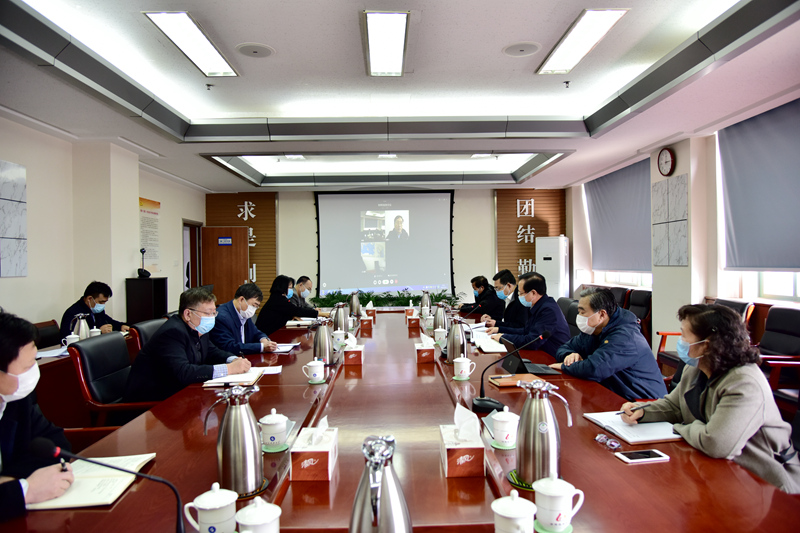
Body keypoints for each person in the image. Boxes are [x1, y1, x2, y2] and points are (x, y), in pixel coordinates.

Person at [620, 304, 800, 493]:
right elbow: (674, 405)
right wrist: (642, 412)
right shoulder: (696, 368)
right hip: (719, 469)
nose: (680, 341)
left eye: (684, 335)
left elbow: (716, 443)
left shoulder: (744, 382)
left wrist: (680, 428)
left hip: (766, 483)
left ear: (706, 344)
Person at [0, 310, 74, 522]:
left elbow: (57, 444)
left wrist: (8, 481)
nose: (34, 371)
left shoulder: (15, 398)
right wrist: (25, 490)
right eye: (27, 366)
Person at [123, 288, 251, 402]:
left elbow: (211, 351)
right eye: (208, 313)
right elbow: (183, 372)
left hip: (179, 394)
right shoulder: (172, 332)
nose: (212, 318)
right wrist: (229, 369)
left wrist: (233, 359)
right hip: (151, 404)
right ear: (188, 314)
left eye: (214, 313)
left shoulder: (198, 327)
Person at [549, 288, 667, 400]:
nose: (579, 317)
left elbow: (595, 369)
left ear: (601, 314)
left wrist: (565, 366)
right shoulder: (593, 329)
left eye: (582, 312)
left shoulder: (625, 337)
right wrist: (570, 355)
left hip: (640, 403)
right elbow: (563, 348)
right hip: (611, 394)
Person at [487, 273, 570, 356]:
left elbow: (533, 341)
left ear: (533, 293)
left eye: (521, 293)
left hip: (553, 356)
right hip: (541, 351)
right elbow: (525, 331)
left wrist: (503, 338)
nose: (519, 296)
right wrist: (500, 330)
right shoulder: (538, 305)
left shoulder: (548, 311)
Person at [209, 283, 277, 355]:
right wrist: (261, 347)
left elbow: (256, 332)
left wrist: (264, 339)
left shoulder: (243, 312)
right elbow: (229, 346)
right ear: (241, 299)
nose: (254, 309)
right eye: (253, 305)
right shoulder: (221, 318)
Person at [59, 281, 129, 340]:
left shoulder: (96, 310)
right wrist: (98, 332)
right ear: (89, 299)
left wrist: (121, 326)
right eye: (101, 302)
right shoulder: (73, 313)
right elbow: (70, 337)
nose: (103, 305)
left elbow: (109, 321)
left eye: (105, 302)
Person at [255, 275, 320, 336]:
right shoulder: (278, 299)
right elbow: (296, 310)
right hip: (266, 335)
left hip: (271, 332)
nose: (291, 290)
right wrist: (317, 313)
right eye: (289, 288)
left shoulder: (277, 297)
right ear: (283, 287)